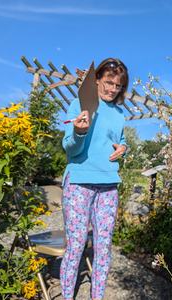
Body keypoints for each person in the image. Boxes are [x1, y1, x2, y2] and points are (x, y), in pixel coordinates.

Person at [60, 58, 129, 300]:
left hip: (109, 185)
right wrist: (79, 132)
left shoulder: (120, 114)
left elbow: (120, 140)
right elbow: (70, 148)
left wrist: (123, 148)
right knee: (76, 246)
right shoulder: (78, 104)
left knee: (103, 248)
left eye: (118, 86)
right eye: (109, 82)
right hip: (79, 182)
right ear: (96, 80)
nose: (113, 89)